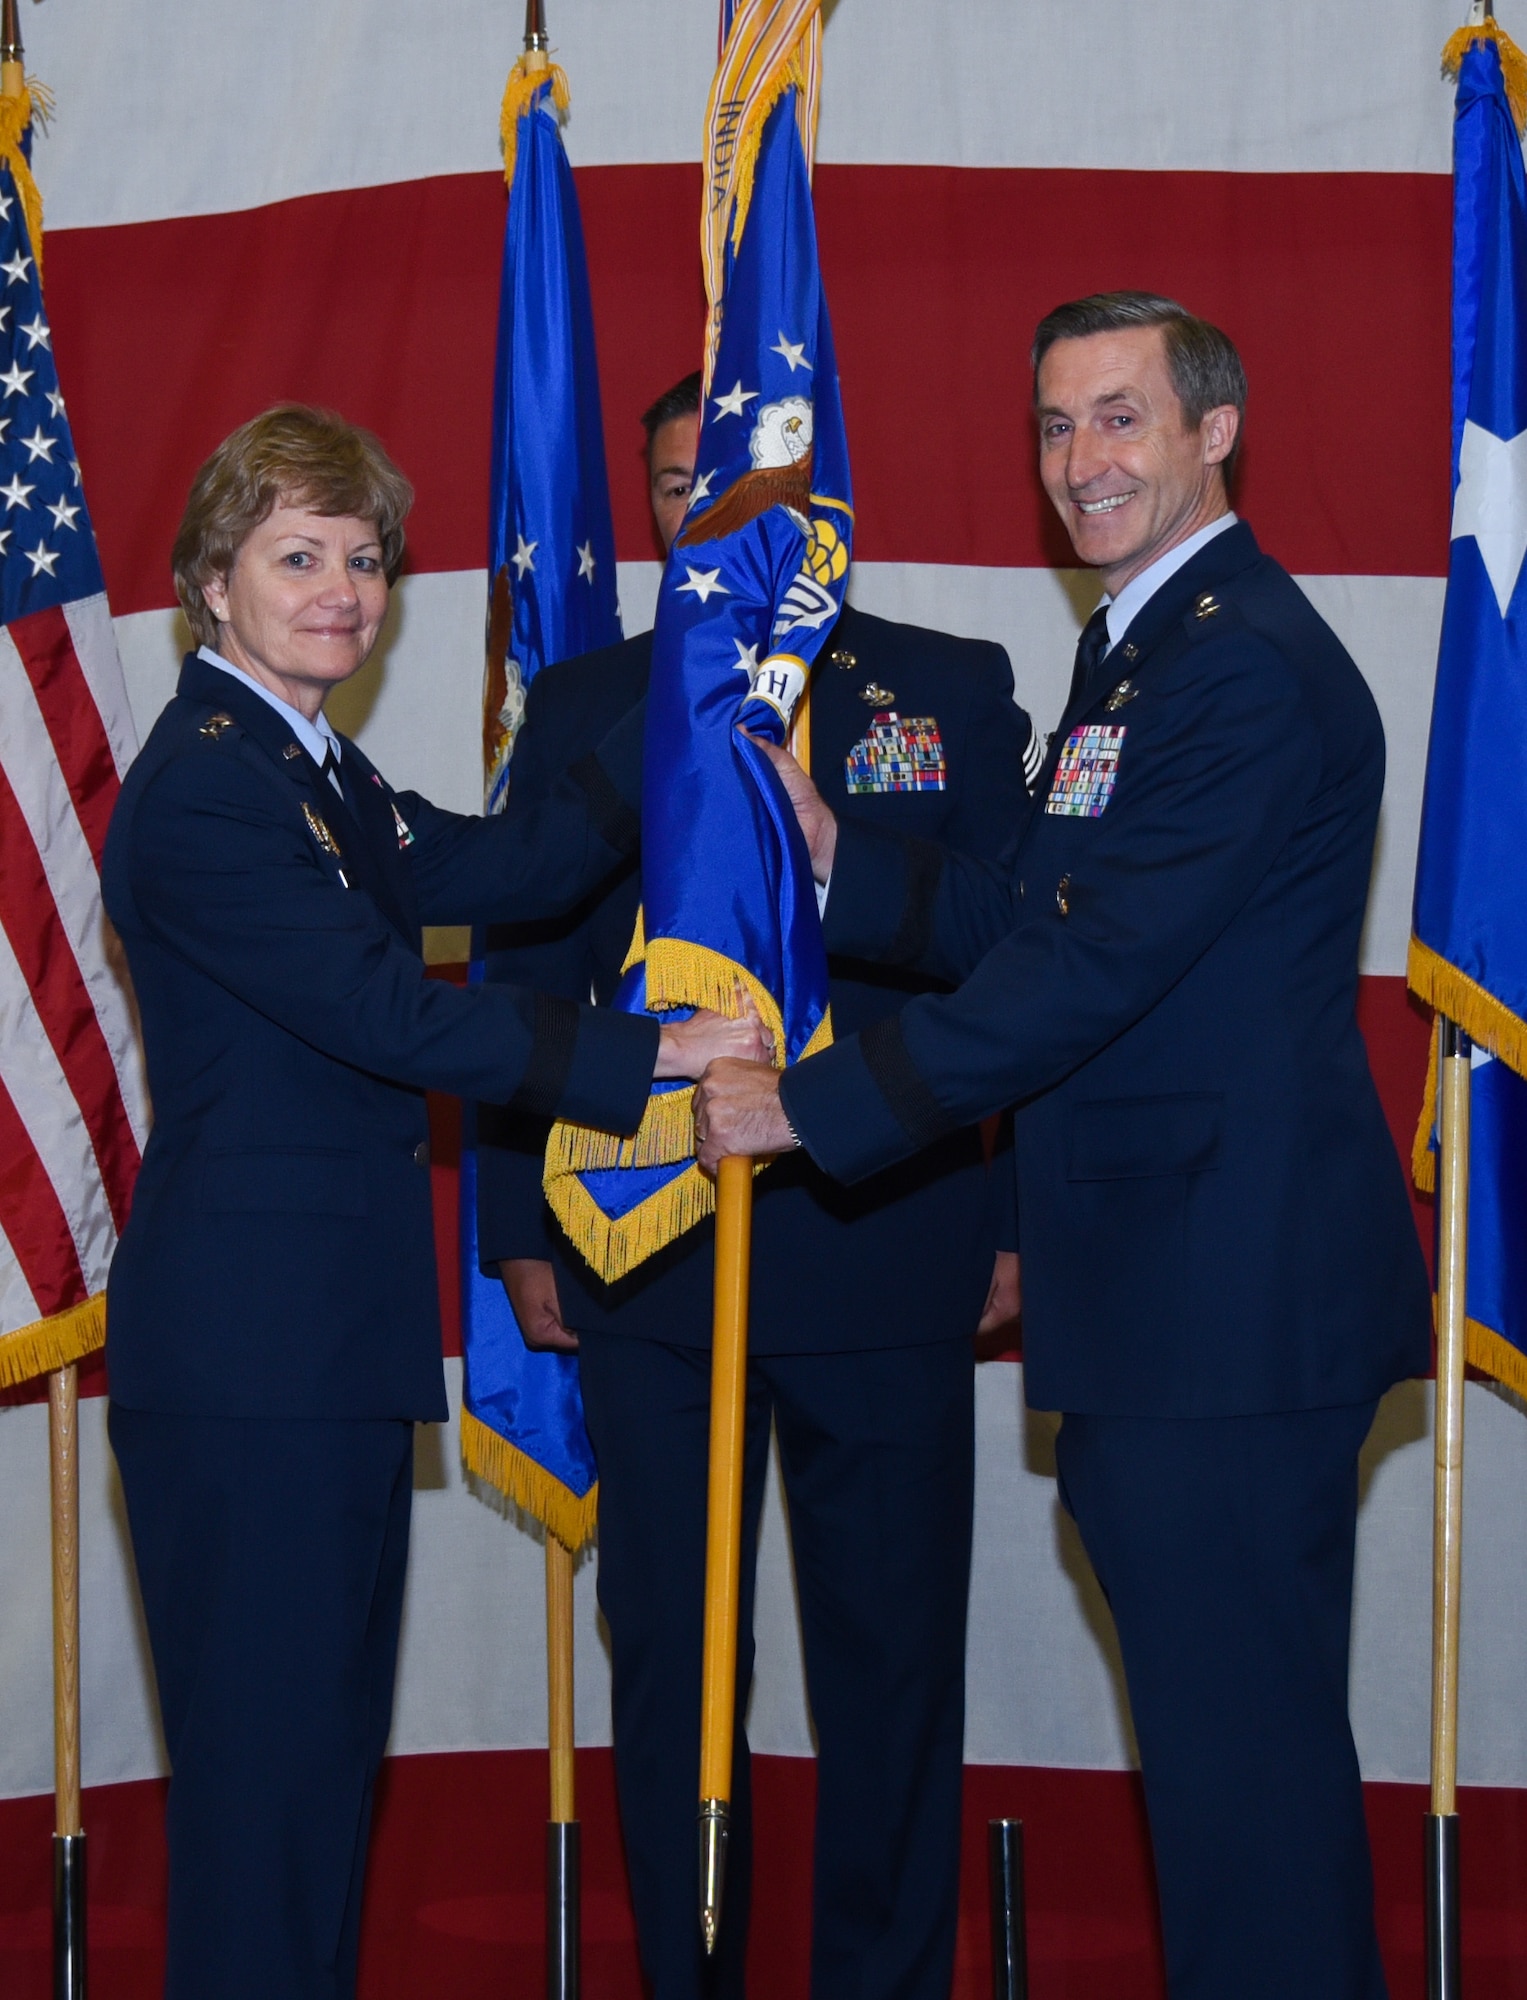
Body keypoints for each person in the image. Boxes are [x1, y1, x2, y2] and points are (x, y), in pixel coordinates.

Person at [695, 295, 1432, 2000]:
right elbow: (1043, 910)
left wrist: (801, 1108)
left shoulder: (1237, 663)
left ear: (1214, 429)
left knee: (1242, 1782)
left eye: (1120, 418)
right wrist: (835, 863)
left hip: (1227, 1314)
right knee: (1225, 1765)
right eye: (1055, 426)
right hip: (1169, 1308)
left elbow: (1090, 972)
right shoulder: (1145, 644)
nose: (1082, 461)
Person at [101, 404, 765, 2000]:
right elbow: (390, 1014)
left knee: (319, 1791)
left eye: (365, 558)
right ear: (212, 579)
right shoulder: (204, 789)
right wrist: (654, 1056)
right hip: (248, 1364)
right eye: (297, 556)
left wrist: (700, 683)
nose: (341, 589)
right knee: (270, 1806)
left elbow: (528, 863)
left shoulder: (311, 772)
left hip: (317, 1356)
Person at [475, 370, 1039, 2000]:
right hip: (647, 1258)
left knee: (890, 1670)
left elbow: (1007, 981)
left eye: (731, 490)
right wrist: (518, 1232)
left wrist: (1006, 1226)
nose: (697, 516)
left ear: (810, 514)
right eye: (672, 488)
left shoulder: (946, 685)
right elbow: (529, 981)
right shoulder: (588, 705)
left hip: (891, 1240)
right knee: (670, 1675)